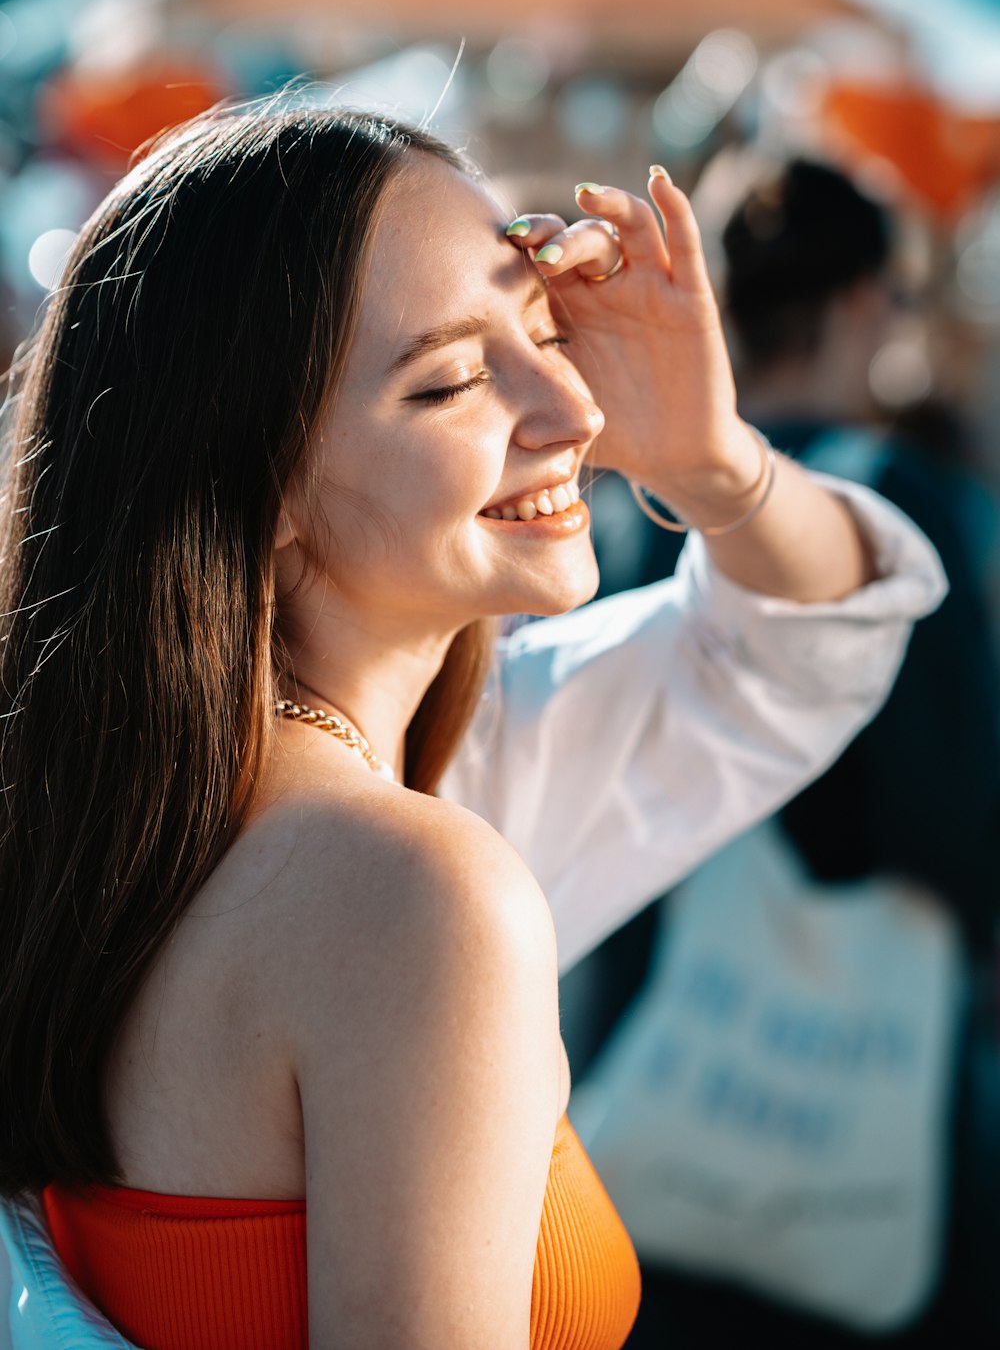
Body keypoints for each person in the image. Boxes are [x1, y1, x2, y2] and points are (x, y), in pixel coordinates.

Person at [0, 106, 944, 1350]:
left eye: (547, 330)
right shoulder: (413, 886)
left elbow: (806, 642)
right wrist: (712, 473)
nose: (572, 406)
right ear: (253, 480)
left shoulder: (107, 812)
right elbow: (792, 660)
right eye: (447, 380)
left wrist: (709, 456)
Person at [571, 156, 1000, 1347]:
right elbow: (947, 815)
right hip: (851, 1072)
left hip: (646, 1042)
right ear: (864, 301)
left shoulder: (630, 500)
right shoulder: (892, 503)